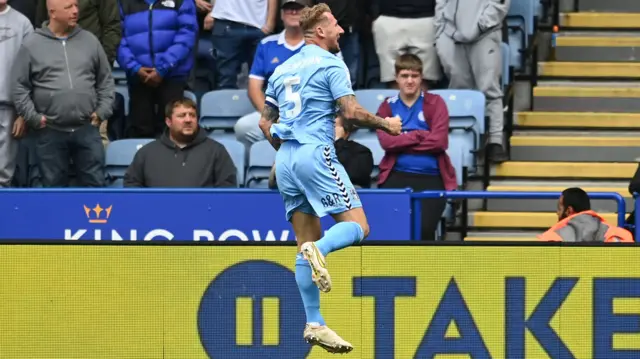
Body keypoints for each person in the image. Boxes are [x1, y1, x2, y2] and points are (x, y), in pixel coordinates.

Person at [257, 3, 402, 353]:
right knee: (360, 227)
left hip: (286, 159)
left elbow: (265, 122)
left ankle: (314, 322)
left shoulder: (281, 69)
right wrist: (386, 124)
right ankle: (319, 249)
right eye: (335, 25)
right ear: (320, 31)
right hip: (314, 152)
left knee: (302, 244)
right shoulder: (331, 63)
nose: (340, 31)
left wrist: (286, 151)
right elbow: (350, 111)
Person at [12, 0, 114, 187]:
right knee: (53, 190)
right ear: (52, 12)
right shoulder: (32, 44)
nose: (76, 11)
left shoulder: (90, 40)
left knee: (96, 189)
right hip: (50, 131)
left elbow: (106, 81)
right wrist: (34, 118)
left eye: (75, 5)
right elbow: (20, 88)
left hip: (87, 129)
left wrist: (101, 112)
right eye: (69, 7)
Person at [376, 54, 457, 240]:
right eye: (405, 76)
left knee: (424, 231)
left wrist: (403, 138)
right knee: (393, 232)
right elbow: (387, 143)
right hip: (396, 175)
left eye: (414, 76)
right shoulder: (387, 107)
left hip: (431, 177)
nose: (410, 81)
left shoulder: (436, 103)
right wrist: (419, 134)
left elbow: (439, 142)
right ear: (396, 78)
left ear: (421, 77)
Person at [435, 0, 510, 163]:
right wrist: (440, 32)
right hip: (451, 37)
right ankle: (460, 139)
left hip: (484, 35)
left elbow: (501, 4)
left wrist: (481, 25)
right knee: (458, 91)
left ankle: (495, 141)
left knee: (489, 89)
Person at [117, 0, 198, 138]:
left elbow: (187, 34)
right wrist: (134, 67)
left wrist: (163, 68)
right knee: (140, 131)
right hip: (139, 77)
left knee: (172, 133)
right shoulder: (124, 2)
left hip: (173, 75)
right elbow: (117, 37)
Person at [234, 0, 309, 148]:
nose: (293, 12)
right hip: (276, 112)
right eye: (288, 9)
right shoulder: (267, 44)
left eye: (298, 9)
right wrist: (272, 117)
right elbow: (254, 88)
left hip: (310, 113)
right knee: (243, 127)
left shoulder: (319, 43)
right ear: (281, 14)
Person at [124, 98, 237, 188]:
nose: (188, 120)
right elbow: (132, 186)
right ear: (169, 122)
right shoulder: (147, 153)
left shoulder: (216, 151)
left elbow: (226, 190)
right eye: (182, 115)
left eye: (192, 115)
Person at [205, 0, 278, 89]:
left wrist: (270, 22)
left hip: (257, 24)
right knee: (225, 79)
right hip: (226, 20)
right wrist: (213, 11)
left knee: (262, 78)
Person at [0, 0, 33, 187]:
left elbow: (30, 72)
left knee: (3, 175)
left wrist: (22, 113)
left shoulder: (23, 23)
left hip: (10, 108)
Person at [538, 187, 633, 242]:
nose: (557, 213)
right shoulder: (621, 235)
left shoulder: (550, 238)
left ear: (569, 210)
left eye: (559, 208)